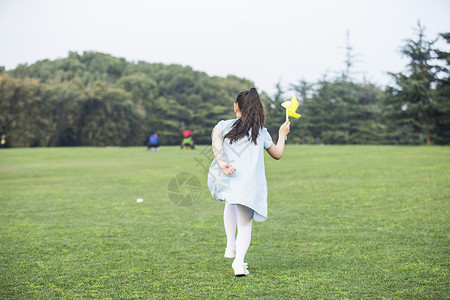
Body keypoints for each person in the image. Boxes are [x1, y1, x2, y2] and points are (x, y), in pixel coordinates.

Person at [207, 88, 290, 276]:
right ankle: (238, 262)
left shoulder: (224, 125)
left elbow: (216, 140)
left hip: (230, 180)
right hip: (249, 186)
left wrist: (221, 162)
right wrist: (282, 133)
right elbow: (277, 154)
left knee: (230, 201)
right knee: (245, 224)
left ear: (236, 107)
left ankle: (230, 245)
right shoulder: (261, 132)